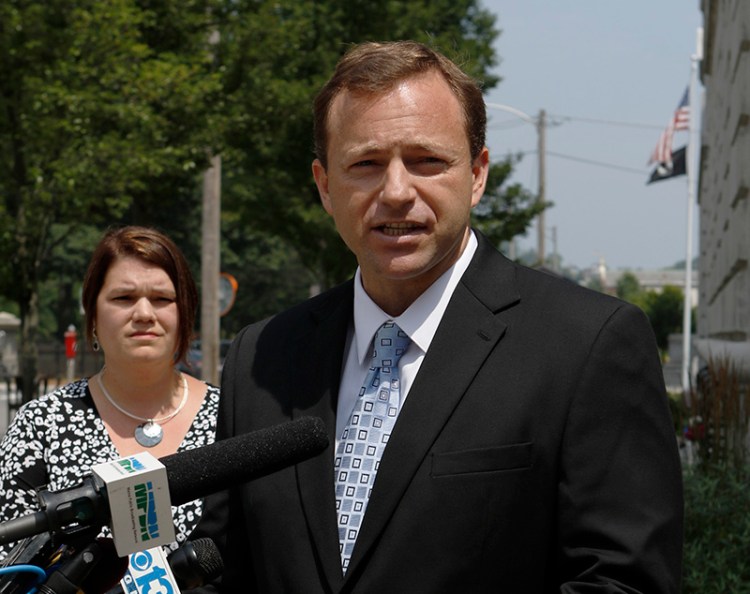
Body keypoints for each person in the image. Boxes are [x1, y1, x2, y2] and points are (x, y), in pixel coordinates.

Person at [198, 40, 683, 592]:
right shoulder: (263, 358)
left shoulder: (587, 345)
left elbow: (624, 582)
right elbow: (221, 570)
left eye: (427, 161)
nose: (397, 192)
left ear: (477, 174)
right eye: (366, 164)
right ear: (325, 186)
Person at [0, 226, 220, 562]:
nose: (144, 314)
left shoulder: (231, 415)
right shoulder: (40, 425)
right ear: (93, 315)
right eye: (123, 298)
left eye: (162, 299)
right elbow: (9, 565)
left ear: (184, 312)